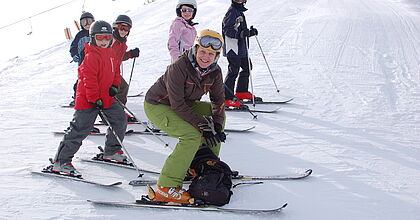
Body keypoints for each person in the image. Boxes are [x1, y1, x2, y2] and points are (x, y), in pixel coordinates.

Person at [144, 29, 227, 204]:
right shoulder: (179, 67)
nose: (206, 57)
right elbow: (177, 105)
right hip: (158, 105)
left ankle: (204, 165)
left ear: (217, 56)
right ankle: (166, 187)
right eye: (203, 51)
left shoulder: (215, 72)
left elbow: (218, 101)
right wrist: (203, 127)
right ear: (195, 49)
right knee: (192, 135)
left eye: (211, 54)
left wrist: (216, 126)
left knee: (214, 117)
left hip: (184, 105)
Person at [51, 21, 128, 176]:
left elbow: (116, 73)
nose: (104, 41)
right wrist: (94, 98)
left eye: (107, 37)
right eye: (100, 37)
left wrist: (114, 86)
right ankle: (61, 161)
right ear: (93, 38)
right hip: (88, 100)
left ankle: (111, 151)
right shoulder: (91, 56)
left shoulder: (111, 53)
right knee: (80, 129)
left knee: (120, 120)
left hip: (105, 98)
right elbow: (88, 80)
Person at [222, 0, 259, 107]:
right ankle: (226, 97)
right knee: (234, 70)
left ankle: (241, 91)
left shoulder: (238, 11)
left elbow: (239, 30)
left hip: (241, 48)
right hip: (233, 48)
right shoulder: (232, 12)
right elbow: (227, 29)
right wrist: (241, 33)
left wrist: (249, 33)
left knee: (247, 66)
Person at [111, 14, 140, 122]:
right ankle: (113, 114)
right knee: (116, 90)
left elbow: (119, 57)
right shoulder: (111, 40)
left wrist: (131, 54)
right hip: (106, 73)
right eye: (121, 28)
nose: (124, 31)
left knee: (123, 88)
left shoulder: (122, 42)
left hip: (114, 73)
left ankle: (118, 112)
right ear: (116, 27)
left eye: (127, 29)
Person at [69, 12, 95, 106]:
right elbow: (73, 47)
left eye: (90, 22)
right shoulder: (80, 35)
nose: (87, 24)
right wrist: (74, 55)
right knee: (82, 81)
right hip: (83, 63)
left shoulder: (96, 33)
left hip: (95, 63)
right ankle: (77, 97)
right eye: (84, 22)